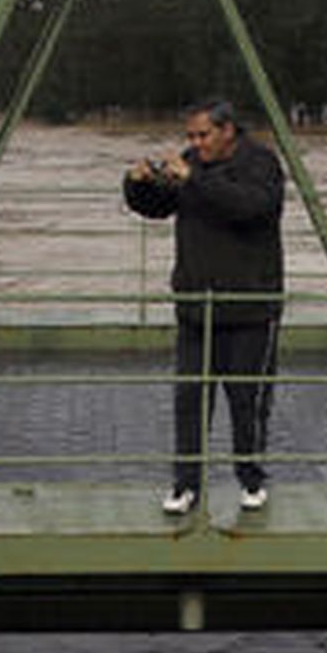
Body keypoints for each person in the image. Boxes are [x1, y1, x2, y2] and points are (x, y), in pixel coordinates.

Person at [123, 99, 285, 515]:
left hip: (249, 307)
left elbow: (248, 208)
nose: (195, 143)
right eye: (191, 136)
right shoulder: (193, 163)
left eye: (202, 135)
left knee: (247, 399)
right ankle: (185, 485)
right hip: (196, 307)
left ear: (228, 130)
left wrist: (193, 178)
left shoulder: (262, 164)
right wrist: (137, 183)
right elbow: (156, 207)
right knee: (190, 398)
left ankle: (251, 478)